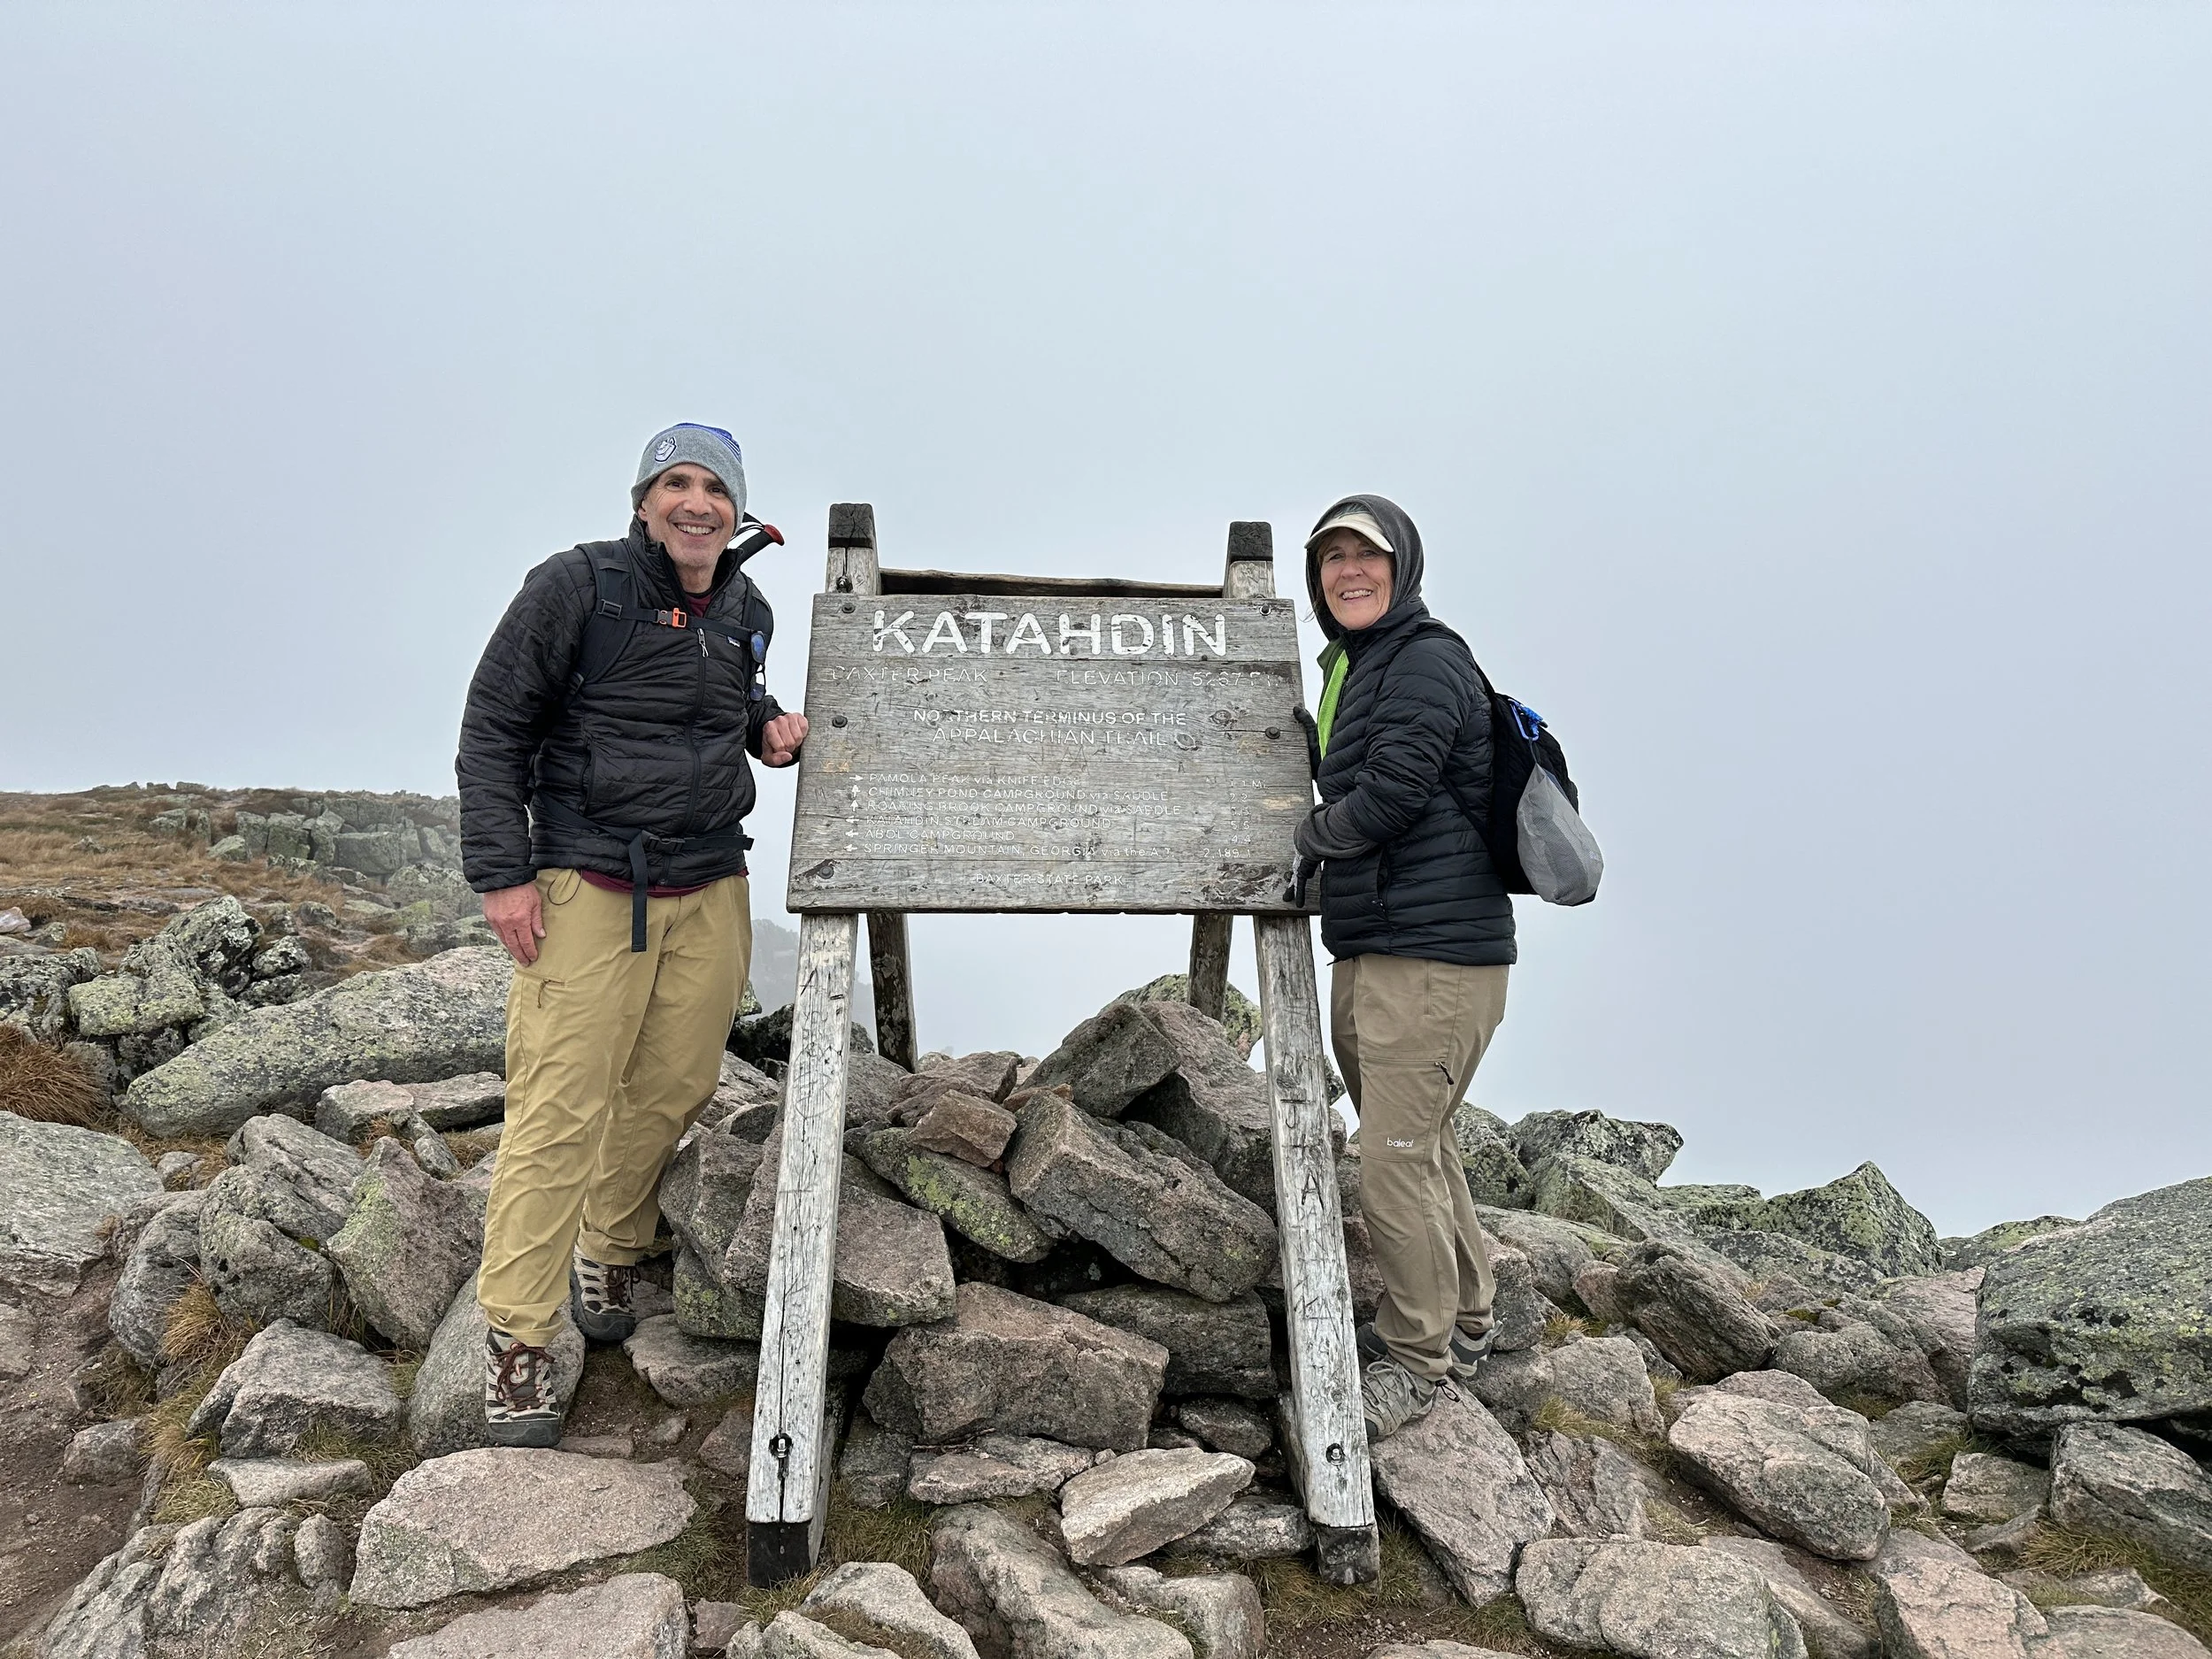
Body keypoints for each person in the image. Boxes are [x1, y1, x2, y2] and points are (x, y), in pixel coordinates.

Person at [455, 424, 807, 1446]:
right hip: (587, 882)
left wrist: (766, 723)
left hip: (709, 879)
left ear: (737, 511)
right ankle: (518, 1340)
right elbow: (494, 728)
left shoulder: (747, 606)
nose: (697, 504)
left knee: (678, 1083)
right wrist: (503, 875)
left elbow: (719, 702)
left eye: (716, 489)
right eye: (676, 484)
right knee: (560, 1106)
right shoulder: (577, 585)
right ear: (644, 501)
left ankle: (610, 1243)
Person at [1294, 493, 1515, 1444]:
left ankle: (1415, 1358)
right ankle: (1466, 1317)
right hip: (1381, 945)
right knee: (1418, 1148)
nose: (1349, 570)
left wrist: (1301, 835)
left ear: (1403, 565)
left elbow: (1387, 799)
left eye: (1366, 555)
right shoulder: (1360, 664)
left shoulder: (1424, 659)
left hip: (1431, 958)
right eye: (1332, 557)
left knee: (1385, 1160)